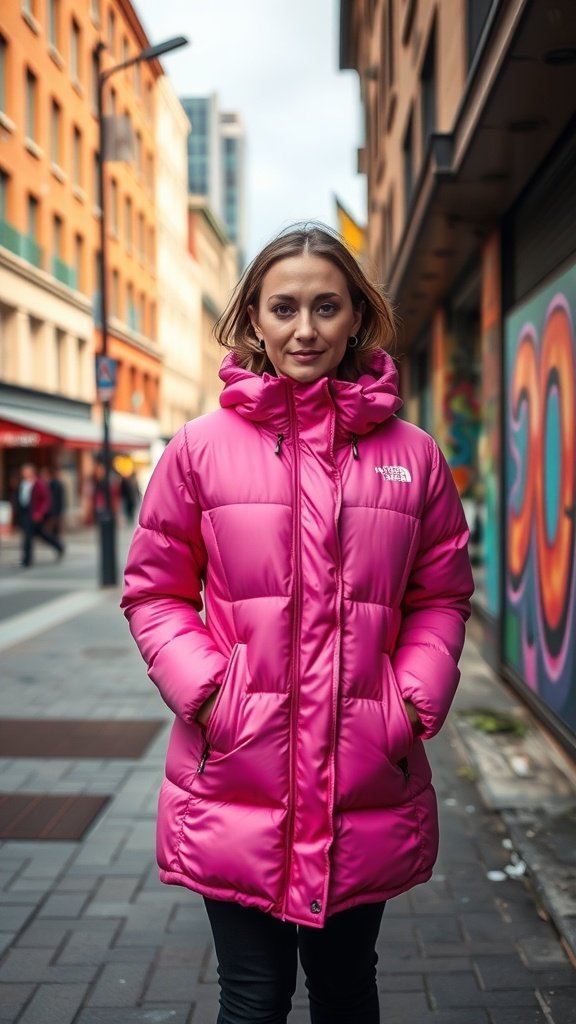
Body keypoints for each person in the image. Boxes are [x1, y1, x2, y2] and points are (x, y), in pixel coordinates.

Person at [121, 223, 474, 1023]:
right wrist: (211, 693)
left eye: (326, 306)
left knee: (346, 992)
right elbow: (154, 591)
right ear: (253, 317)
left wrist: (408, 700)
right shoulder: (199, 449)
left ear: (357, 317)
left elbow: (441, 595)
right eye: (283, 308)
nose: (305, 329)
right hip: (235, 771)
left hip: (363, 775)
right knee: (253, 998)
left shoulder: (414, 455)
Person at [17, 463, 64, 567]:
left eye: (27, 471)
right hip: (25, 512)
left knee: (29, 536)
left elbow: (46, 500)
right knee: (36, 534)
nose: (25, 473)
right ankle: (58, 546)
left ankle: (26, 560)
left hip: (34, 513)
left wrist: (40, 513)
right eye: (24, 471)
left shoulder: (38, 484)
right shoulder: (23, 484)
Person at [40, 466, 66, 542]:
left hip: (54, 511)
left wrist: (58, 512)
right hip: (47, 512)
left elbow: (58, 499)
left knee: (54, 529)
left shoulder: (56, 485)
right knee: (49, 530)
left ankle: (57, 543)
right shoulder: (43, 485)